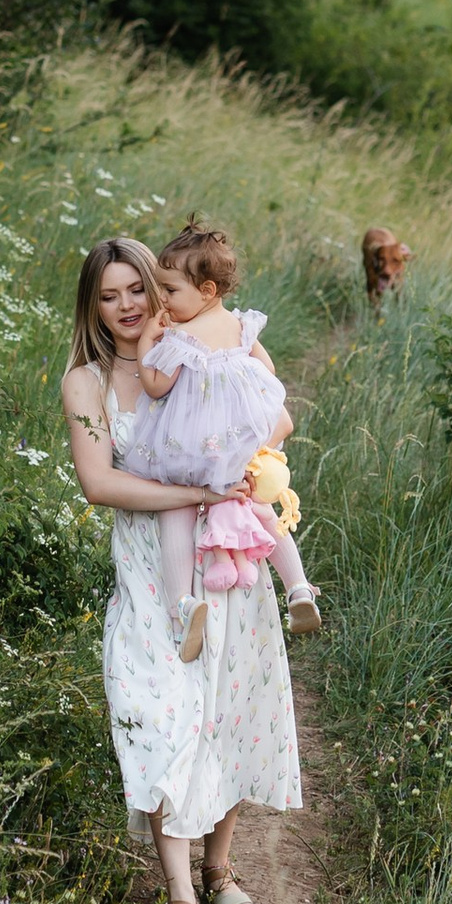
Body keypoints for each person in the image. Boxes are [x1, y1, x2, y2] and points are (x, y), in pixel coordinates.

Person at [59, 233, 305, 904]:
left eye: (140, 289)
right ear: (93, 306)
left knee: (224, 714)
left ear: (162, 288)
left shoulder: (208, 344)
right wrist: (197, 486)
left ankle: (219, 871)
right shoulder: (88, 382)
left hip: (227, 561)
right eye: (111, 295)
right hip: (151, 577)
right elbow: (101, 485)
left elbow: (281, 416)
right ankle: (179, 903)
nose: (131, 306)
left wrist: (228, 450)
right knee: (161, 721)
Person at [127, 221, 322, 659]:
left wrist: (146, 343)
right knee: (258, 506)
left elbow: (156, 386)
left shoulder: (180, 338)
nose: (162, 301)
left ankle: (184, 604)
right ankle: (297, 586)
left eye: (170, 291)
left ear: (207, 290)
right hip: (237, 445)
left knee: (175, 509)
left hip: (190, 449)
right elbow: (268, 374)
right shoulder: (238, 325)